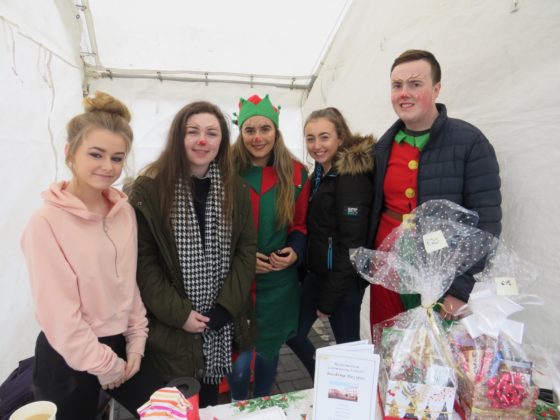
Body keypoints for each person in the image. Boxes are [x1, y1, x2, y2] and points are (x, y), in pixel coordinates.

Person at [20, 92, 164, 420]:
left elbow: (128, 284)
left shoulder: (122, 211)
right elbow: (59, 313)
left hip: (120, 342)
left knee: (169, 410)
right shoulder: (44, 222)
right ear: (70, 152)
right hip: (66, 355)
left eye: (117, 157)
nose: (107, 167)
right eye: (96, 154)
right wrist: (103, 363)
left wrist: (137, 340)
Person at [128, 101, 257, 408]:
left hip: (218, 325)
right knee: (177, 407)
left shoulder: (234, 189)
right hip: (172, 332)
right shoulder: (149, 190)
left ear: (221, 142)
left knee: (210, 402)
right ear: (178, 138)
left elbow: (245, 249)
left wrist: (225, 307)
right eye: (193, 132)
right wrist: (180, 314)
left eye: (212, 133)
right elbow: (144, 264)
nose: (202, 140)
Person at [368, 49, 502, 330]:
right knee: (389, 351)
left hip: (442, 282)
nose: (404, 93)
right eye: (397, 85)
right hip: (389, 277)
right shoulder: (382, 147)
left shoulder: (470, 142)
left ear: (436, 88)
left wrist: (459, 289)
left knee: (434, 362)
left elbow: (487, 223)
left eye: (415, 84)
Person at [228, 94, 310, 399]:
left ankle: (263, 404)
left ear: (276, 131)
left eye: (265, 129)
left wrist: (295, 252)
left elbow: (300, 226)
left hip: (278, 283)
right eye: (250, 130)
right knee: (238, 365)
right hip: (237, 281)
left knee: (268, 355)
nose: (258, 137)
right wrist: (243, 261)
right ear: (241, 133)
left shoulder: (297, 173)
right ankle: (238, 403)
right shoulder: (225, 171)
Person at [287, 107, 375, 378]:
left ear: (340, 137)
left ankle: (353, 401)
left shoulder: (350, 178)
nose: (317, 145)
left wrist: (329, 298)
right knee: (293, 333)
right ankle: (325, 380)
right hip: (317, 276)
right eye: (310, 138)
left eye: (324, 137)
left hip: (343, 282)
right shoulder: (319, 175)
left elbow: (352, 245)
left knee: (349, 352)